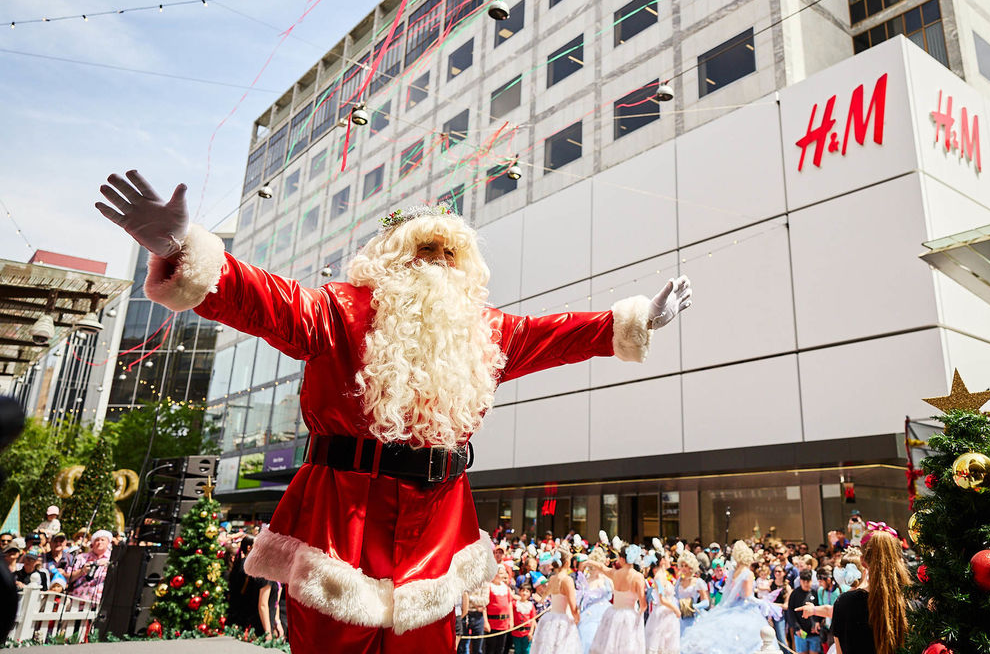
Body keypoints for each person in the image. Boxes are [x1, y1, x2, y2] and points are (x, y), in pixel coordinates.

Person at [96, 171, 691, 654]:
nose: (435, 261)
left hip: (436, 530)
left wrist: (629, 320)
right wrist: (183, 250)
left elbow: (558, 334)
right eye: (421, 249)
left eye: (447, 252)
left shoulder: (483, 332)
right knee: (333, 642)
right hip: (343, 521)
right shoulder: (339, 310)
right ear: (392, 257)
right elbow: (266, 301)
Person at [680, 540, 776, 654]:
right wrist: (762, 602)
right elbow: (747, 596)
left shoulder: (733, 572)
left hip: (732, 607)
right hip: (745, 610)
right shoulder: (747, 573)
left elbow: (728, 593)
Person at [829, 525, 909, 654]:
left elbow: (840, 650)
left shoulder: (845, 602)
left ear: (863, 561)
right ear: (899, 560)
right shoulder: (911, 603)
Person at [586, 545, 647, 654]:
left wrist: (589, 562)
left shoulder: (615, 574)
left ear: (623, 559)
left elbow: (602, 567)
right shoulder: (638, 577)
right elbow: (643, 605)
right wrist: (639, 616)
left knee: (610, 646)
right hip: (629, 616)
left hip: (613, 613)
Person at [530, 547, 582, 654]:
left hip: (550, 618)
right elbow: (573, 607)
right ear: (567, 563)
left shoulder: (552, 579)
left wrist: (541, 600)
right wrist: (578, 618)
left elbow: (543, 597)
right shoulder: (567, 580)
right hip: (563, 620)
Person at [227, 536, 275, 638]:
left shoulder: (242, 563)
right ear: (249, 547)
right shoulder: (249, 567)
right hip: (247, 613)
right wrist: (268, 632)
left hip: (241, 612)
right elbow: (260, 602)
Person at [578, 549, 613, 653]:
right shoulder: (585, 580)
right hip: (587, 615)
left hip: (604, 613)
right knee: (587, 638)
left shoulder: (606, 579)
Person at [644, 554, 681, 654]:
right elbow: (662, 599)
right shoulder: (658, 578)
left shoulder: (665, 574)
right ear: (662, 561)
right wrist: (675, 609)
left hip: (669, 614)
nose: (670, 560)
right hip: (663, 613)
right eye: (668, 558)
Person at [66, 530, 112, 606]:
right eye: (97, 540)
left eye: (102, 540)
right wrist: (81, 571)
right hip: (77, 603)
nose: (99, 542)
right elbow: (68, 578)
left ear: (108, 543)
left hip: (101, 604)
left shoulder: (112, 560)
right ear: (92, 543)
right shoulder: (81, 558)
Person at [674, 550, 709, 637]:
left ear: (691, 566)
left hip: (693, 618)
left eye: (686, 565)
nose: (683, 568)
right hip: (680, 618)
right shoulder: (678, 581)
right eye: (681, 566)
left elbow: (706, 602)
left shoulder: (698, 582)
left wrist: (693, 606)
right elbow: (675, 597)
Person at [787, 569, 821, 653]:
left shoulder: (814, 593)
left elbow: (819, 609)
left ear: (811, 581)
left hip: (814, 633)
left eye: (808, 581)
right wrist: (796, 628)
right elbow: (791, 612)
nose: (806, 583)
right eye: (803, 581)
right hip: (800, 632)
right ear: (800, 581)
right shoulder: (794, 594)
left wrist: (817, 622)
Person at [484, 567, 514, 654]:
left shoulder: (506, 588)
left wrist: (511, 620)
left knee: (501, 648)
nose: (498, 575)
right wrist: (486, 622)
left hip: (504, 623)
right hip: (492, 623)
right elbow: (484, 606)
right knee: (490, 648)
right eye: (497, 573)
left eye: (501, 573)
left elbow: (509, 604)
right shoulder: (489, 587)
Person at [512, 583, 538, 654]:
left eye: (527, 591)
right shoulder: (515, 604)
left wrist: (531, 632)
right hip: (516, 633)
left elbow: (533, 619)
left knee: (526, 650)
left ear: (530, 593)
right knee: (518, 650)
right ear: (519, 591)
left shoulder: (531, 605)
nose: (524, 593)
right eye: (523, 590)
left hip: (526, 633)